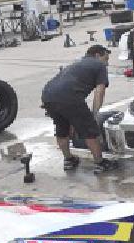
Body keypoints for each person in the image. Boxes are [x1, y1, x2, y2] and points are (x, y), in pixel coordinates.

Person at [40, 45, 120, 174]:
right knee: (89, 131)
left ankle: (68, 160)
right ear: (97, 55)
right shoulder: (98, 65)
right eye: (106, 58)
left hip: (48, 95)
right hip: (69, 97)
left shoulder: (76, 63)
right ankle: (100, 163)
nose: (107, 63)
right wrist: (94, 115)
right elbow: (100, 91)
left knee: (62, 129)